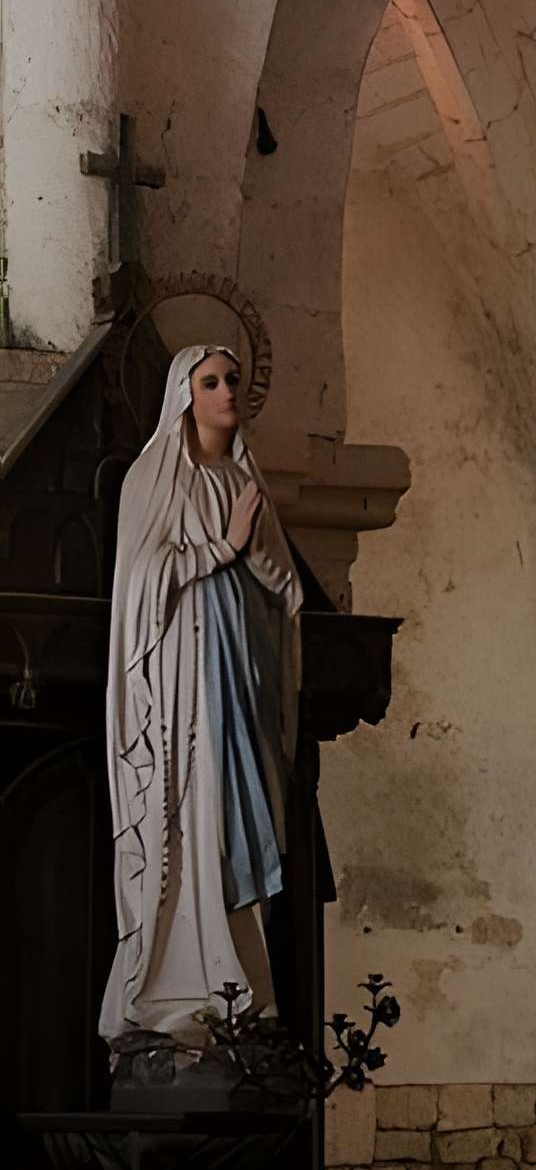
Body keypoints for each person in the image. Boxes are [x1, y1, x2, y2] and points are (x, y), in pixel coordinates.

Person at [99, 345, 303, 1051]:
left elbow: (282, 580)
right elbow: (139, 586)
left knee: (241, 816)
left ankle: (239, 978)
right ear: (184, 396)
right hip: (182, 688)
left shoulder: (247, 480)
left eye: (232, 379)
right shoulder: (151, 478)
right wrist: (220, 549)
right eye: (209, 381)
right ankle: (183, 983)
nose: (225, 392)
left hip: (239, 679)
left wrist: (253, 554)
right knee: (189, 817)